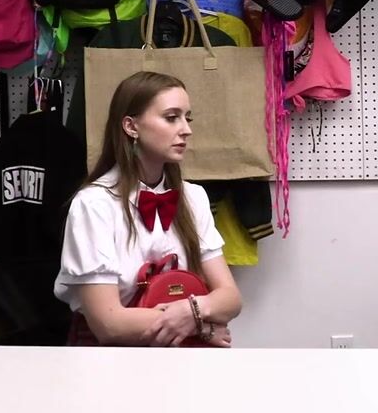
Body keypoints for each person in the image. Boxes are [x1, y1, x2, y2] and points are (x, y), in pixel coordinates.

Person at [54, 71, 242, 346]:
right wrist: (202, 326)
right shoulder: (94, 205)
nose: (186, 129)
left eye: (187, 118)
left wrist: (190, 311)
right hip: (112, 357)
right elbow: (108, 324)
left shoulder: (193, 197)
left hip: (179, 354)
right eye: (171, 117)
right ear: (131, 127)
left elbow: (231, 298)